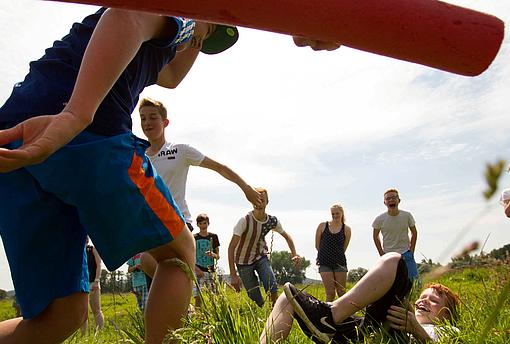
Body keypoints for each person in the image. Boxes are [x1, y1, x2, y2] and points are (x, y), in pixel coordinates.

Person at [0, 6, 339, 343]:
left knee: (61, 316)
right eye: (206, 32)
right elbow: (127, 15)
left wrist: (199, 38)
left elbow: (171, 77)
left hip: (16, 135)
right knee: (178, 255)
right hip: (86, 133)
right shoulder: (179, 11)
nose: (198, 39)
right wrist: (75, 114)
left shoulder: (150, 48)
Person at [260, 253, 460, 344]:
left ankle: (331, 315)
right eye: (423, 297)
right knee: (289, 297)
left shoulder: (447, 330)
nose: (424, 301)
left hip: (390, 338)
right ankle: (330, 316)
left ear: (447, 314)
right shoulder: (405, 312)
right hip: (366, 329)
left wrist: (417, 330)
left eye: (434, 301)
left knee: (394, 261)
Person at [139, 97, 263, 231]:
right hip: (150, 225)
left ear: (165, 122)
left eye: (152, 117)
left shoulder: (181, 150)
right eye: (143, 118)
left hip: (178, 221)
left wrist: (246, 187)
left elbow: (219, 167)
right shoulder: (137, 156)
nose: (147, 123)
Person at [228, 187, 301, 307]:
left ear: (267, 202)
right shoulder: (244, 220)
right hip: (243, 261)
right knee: (254, 296)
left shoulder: (272, 221)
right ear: (251, 202)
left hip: (261, 256)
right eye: (256, 200)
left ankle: (276, 313)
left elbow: (287, 237)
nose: (259, 203)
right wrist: (233, 275)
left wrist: (294, 254)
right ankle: (262, 311)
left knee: (271, 284)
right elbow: (231, 248)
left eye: (262, 200)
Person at [373, 188, 419, 281]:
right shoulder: (379, 219)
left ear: (399, 200)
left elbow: (414, 232)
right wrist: (381, 253)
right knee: (391, 282)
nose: (391, 200)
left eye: (394, 197)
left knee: (414, 281)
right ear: (385, 202)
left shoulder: (407, 215)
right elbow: (375, 236)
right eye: (388, 198)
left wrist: (411, 250)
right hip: (388, 255)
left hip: (406, 253)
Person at [316, 203, 351, 301]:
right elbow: (317, 245)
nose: (335, 216)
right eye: (333, 214)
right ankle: (329, 315)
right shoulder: (322, 226)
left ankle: (345, 315)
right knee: (330, 293)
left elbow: (344, 247)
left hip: (340, 262)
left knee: (341, 292)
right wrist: (322, 255)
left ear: (342, 213)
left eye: (337, 213)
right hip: (324, 262)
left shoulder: (346, 229)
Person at [192, 213, 220, 308]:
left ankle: (214, 314)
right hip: (198, 269)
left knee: (214, 296)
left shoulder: (213, 237)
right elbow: (190, 256)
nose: (203, 226)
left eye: (204, 223)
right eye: (200, 223)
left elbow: (218, 256)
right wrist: (196, 269)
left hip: (210, 270)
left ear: (208, 223)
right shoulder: (194, 237)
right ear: (197, 225)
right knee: (198, 295)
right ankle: (198, 315)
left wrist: (213, 254)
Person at [80, 238, 105, 334]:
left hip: (93, 283)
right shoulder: (78, 252)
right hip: (82, 284)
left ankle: (100, 332)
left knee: (96, 310)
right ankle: (83, 335)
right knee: (83, 312)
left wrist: (96, 281)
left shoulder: (92, 249)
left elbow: (99, 265)